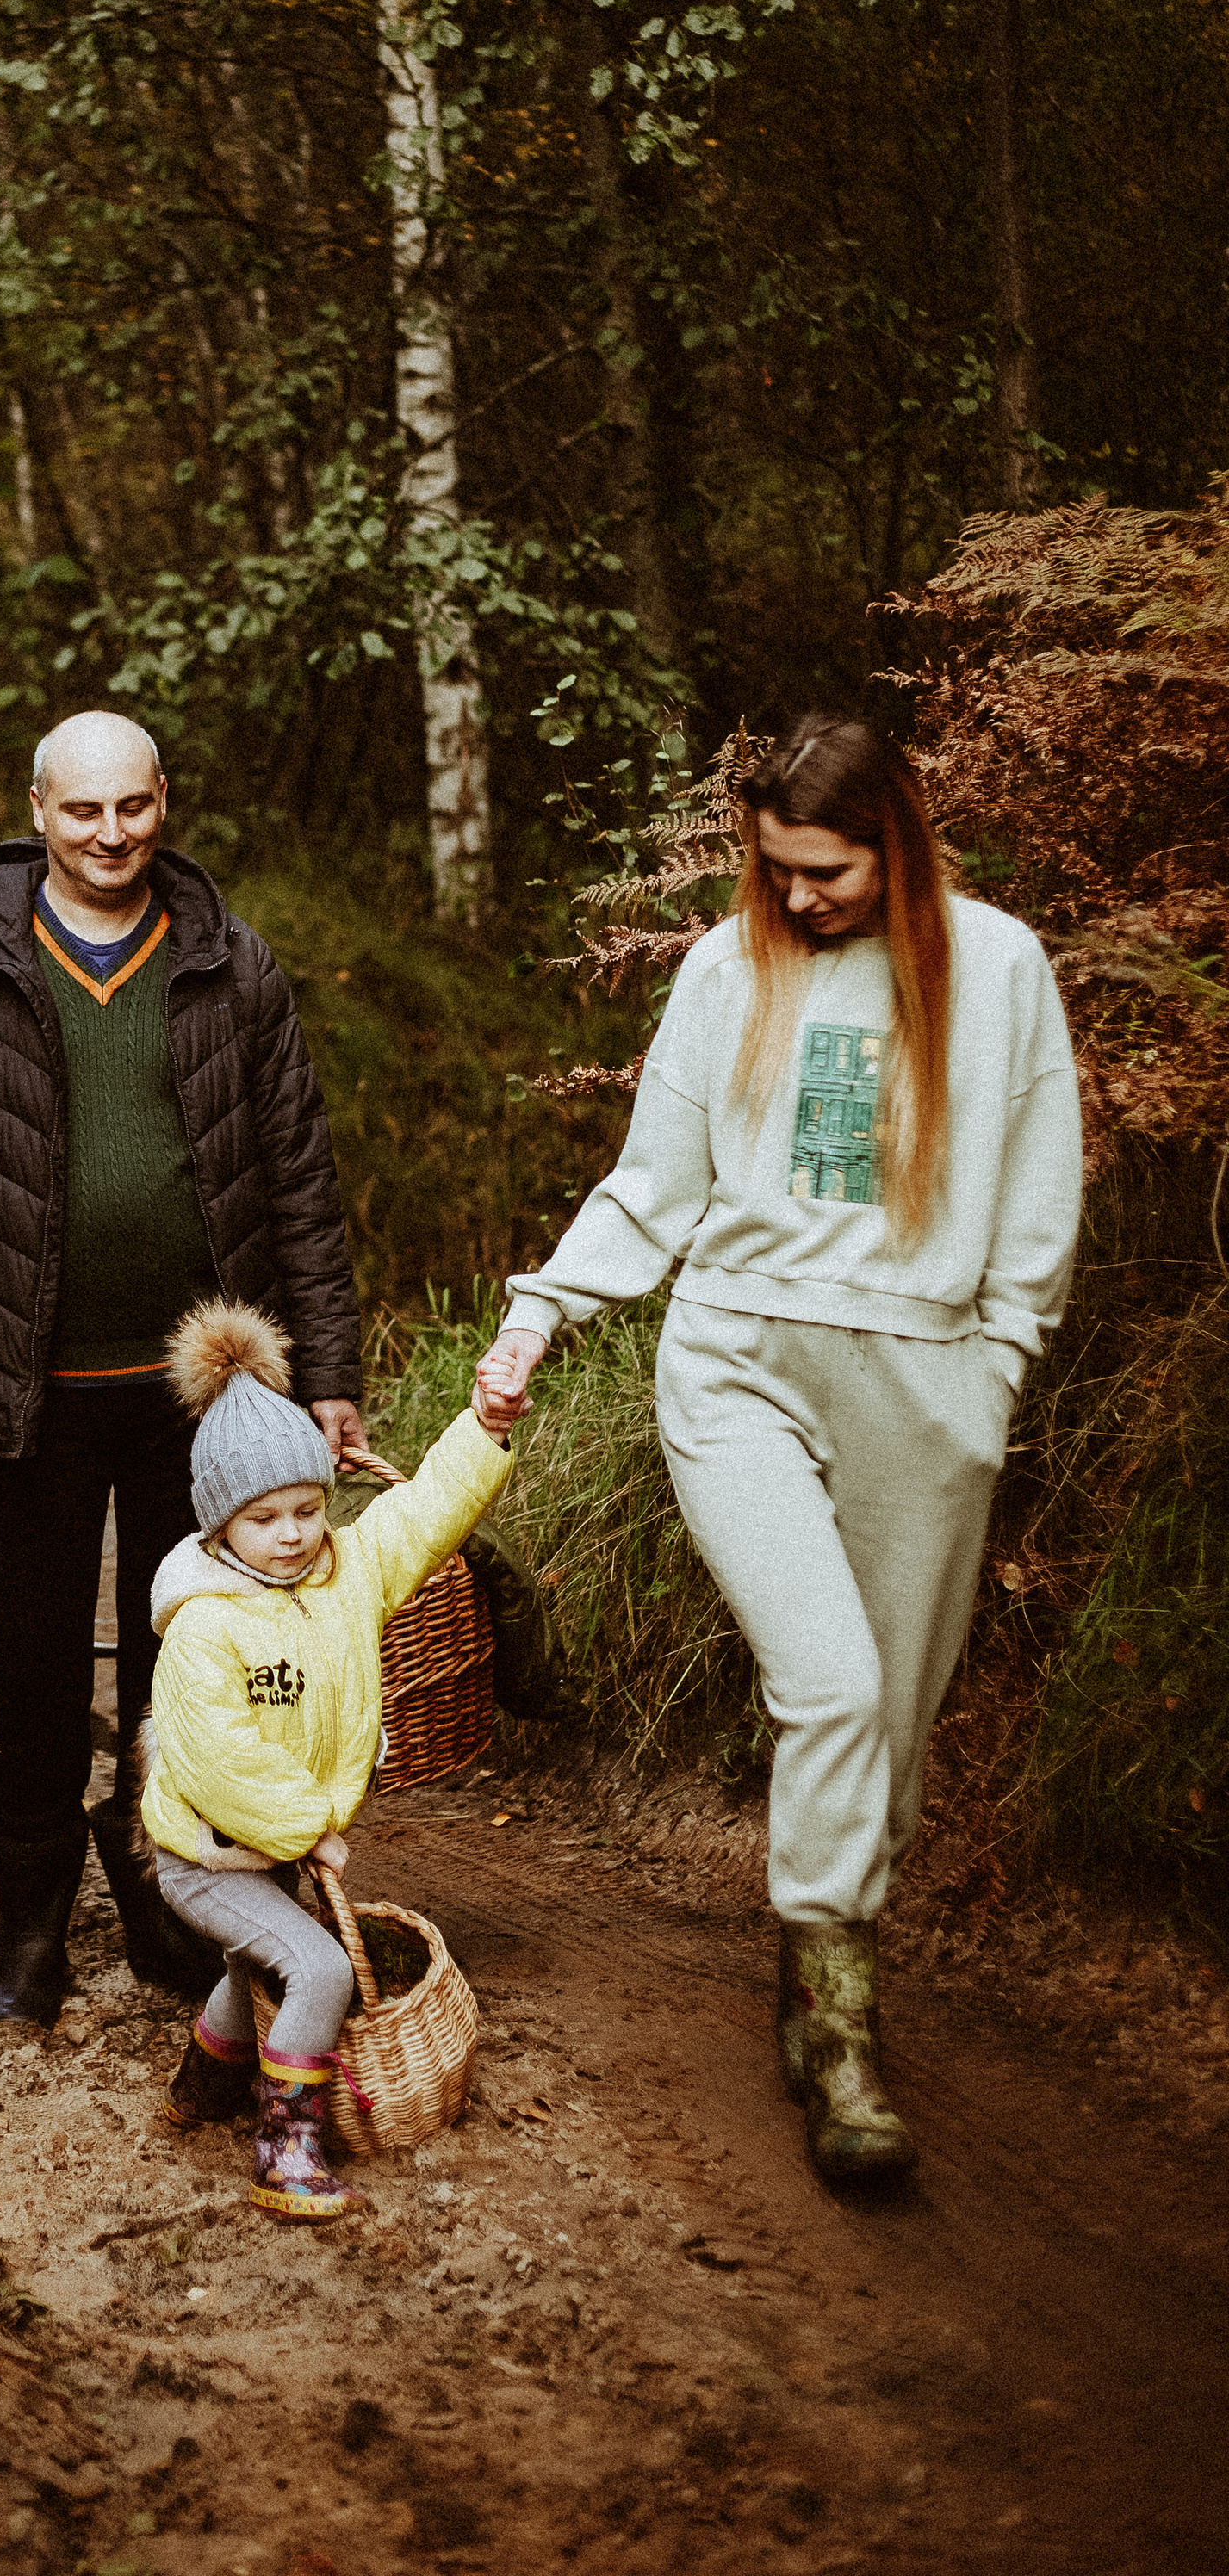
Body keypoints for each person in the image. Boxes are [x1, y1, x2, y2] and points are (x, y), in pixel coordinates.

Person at [474, 718, 1083, 2181]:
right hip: (739, 1357)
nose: (799, 898)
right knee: (831, 1684)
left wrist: (996, 1360)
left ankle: (822, 1961)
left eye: (828, 871)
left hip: (928, 1380)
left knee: (890, 1725)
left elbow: (1045, 1190)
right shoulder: (726, 967)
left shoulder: (997, 972)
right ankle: (847, 2046)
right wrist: (538, 1317)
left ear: (898, 843)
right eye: (778, 870)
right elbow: (656, 1179)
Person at [0, 709, 365, 2028]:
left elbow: (299, 1179)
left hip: (197, 1410)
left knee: (181, 1661)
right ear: (37, 807)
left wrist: (326, 1371)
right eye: (82, 811)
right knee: (25, 1668)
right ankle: (29, 1924)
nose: (110, 835)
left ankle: (166, 1898)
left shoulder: (229, 965)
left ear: (162, 804)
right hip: (22, 1392)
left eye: (133, 808)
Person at [140, 1302, 514, 2217]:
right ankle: (285, 2149)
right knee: (319, 1969)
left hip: (271, 1845)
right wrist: (309, 1827)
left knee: (251, 1964)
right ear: (218, 1526)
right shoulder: (204, 1624)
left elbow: (422, 1514)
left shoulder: (347, 1574)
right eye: (263, 1518)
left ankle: (200, 2085)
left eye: (307, 1509)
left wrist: (485, 1429)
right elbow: (216, 1756)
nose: (293, 1534)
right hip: (204, 1850)